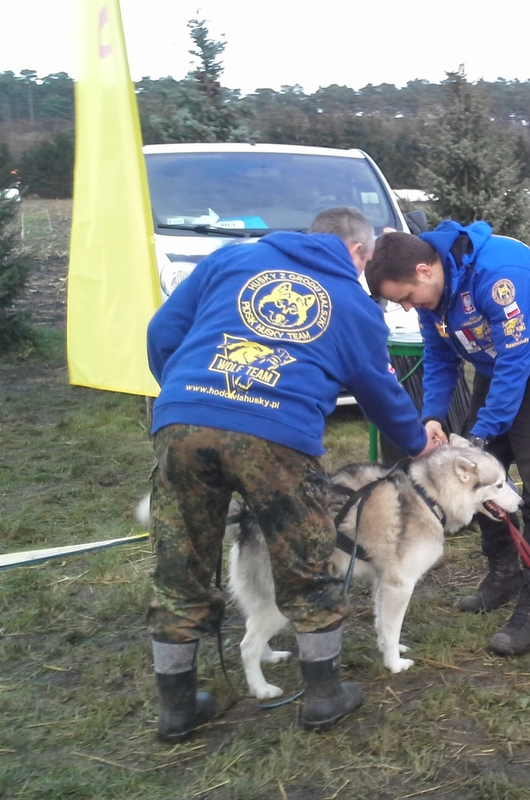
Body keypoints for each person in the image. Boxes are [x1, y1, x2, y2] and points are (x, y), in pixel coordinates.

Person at [145, 207, 436, 741]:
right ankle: (324, 696)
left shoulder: (230, 260)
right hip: (277, 435)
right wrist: (417, 442)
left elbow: (163, 332)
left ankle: (177, 708)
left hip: (183, 422)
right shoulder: (352, 302)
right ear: (358, 251)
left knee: (180, 566)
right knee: (305, 562)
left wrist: (188, 394)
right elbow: (379, 389)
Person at [367, 221, 530, 657]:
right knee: (475, 480)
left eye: (406, 297)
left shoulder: (498, 274)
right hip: (494, 368)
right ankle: (503, 572)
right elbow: (439, 355)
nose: (408, 308)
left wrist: (481, 433)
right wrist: (433, 415)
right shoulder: (433, 296)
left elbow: (516, 357)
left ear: (424, 270)